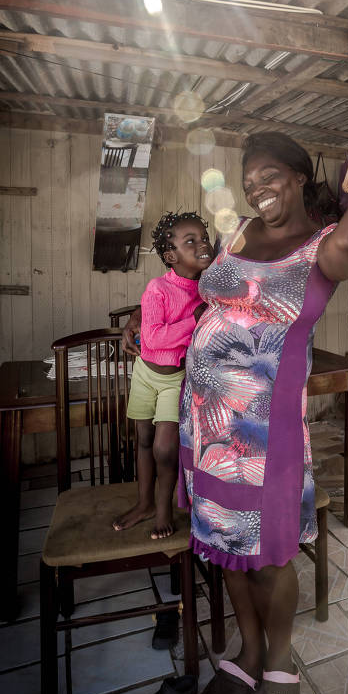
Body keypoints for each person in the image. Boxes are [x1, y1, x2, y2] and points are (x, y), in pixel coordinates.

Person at [124, 132, 348, 694]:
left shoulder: (322, 249)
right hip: (206, 429)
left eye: (269, 175)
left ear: (299, 177)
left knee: (269, 557)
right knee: (225, 545)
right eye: (249, 181)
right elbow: (206, 293)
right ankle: (248, 655)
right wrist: (141, 317)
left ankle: (279, 667)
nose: (257, 189)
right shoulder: (243, 232)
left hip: (262, 437)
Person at [113, 211, 213, 538]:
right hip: (145, 373)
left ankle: (164, 507)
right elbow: (154, 338)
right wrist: (194, 320)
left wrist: (197, 317)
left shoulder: (208, 290)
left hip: (176, 379)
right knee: (143, 440)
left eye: (204, 238)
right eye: (191, 241)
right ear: (171, 256)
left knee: (165, 449)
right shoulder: (158, 288)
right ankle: (144, 503)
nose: (202, 245)